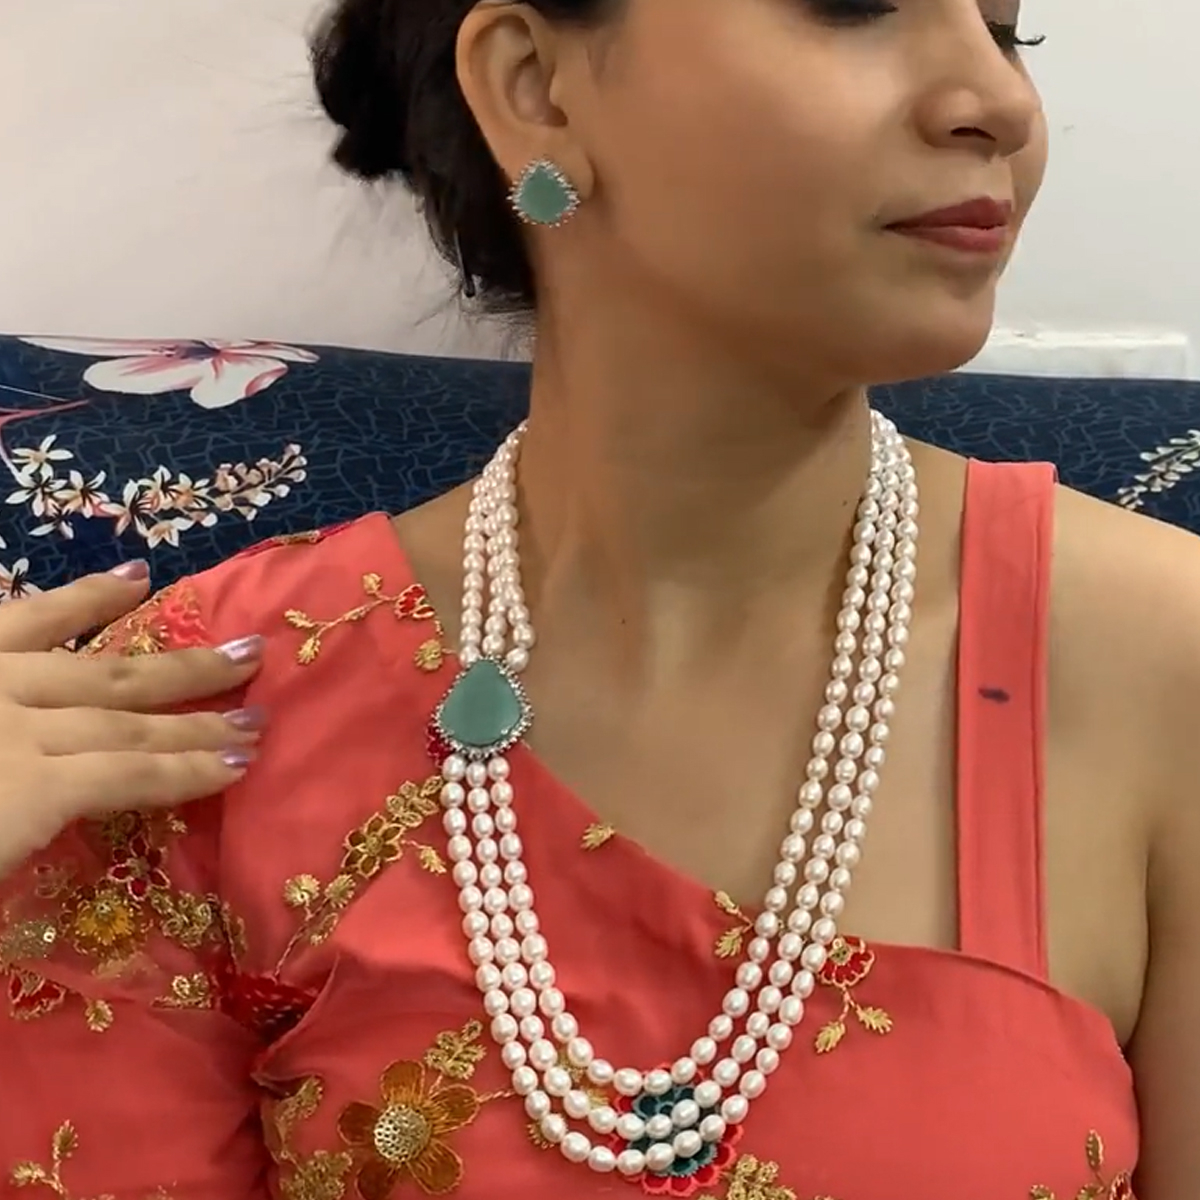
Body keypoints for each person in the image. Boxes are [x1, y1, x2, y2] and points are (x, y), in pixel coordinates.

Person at [1, 0, 1197, 1196]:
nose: (998, 101)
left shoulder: (1158, 657)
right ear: (534, 86)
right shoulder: (192, 717)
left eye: (1008, 29)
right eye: (855, 7)